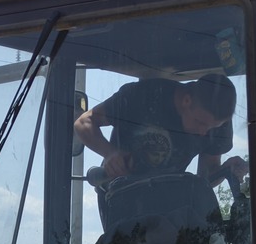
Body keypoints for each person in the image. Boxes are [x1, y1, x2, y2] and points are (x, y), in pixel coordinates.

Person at [73, 73, 246, 190]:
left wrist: (225, 170)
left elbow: (205, 179)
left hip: (170, 202)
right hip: (120, 193)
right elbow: (84, 122)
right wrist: (110, 153)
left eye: (211, 128)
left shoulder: (218, 121)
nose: (203, 132)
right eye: (200, 122)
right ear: (186, 100)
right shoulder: (144, 95)